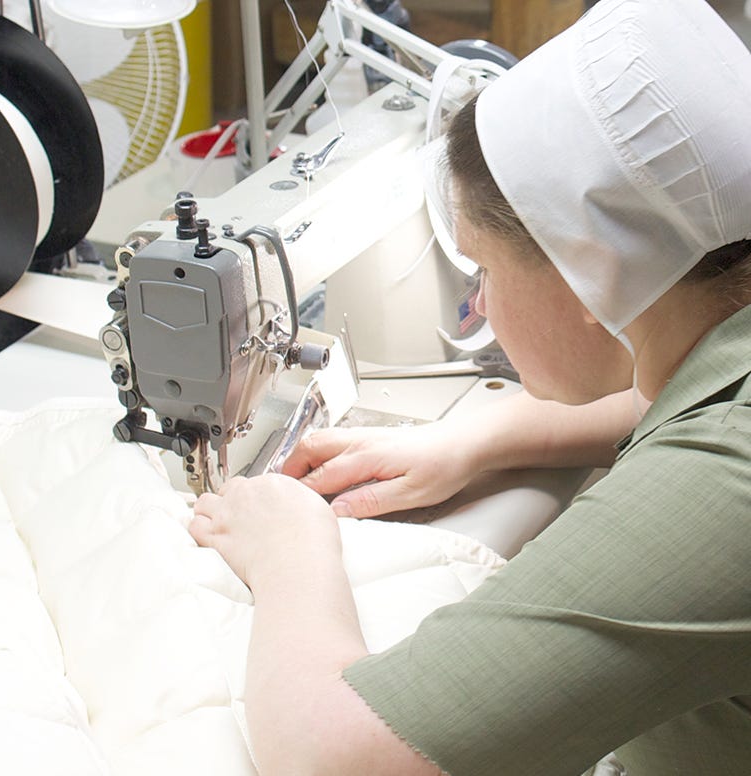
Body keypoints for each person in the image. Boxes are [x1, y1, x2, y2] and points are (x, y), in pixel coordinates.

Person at [188, 0, 751, 773]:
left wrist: (289, 553)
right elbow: (682, 390)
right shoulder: (723, 313)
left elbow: (336, 761)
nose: (478, 304)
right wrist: (482, 436)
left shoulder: (720, 486)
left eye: (482, 267)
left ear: (589, 268)